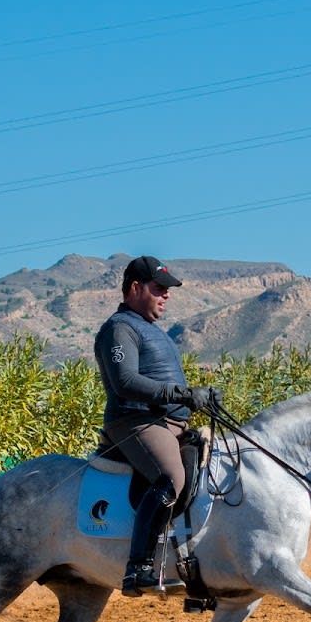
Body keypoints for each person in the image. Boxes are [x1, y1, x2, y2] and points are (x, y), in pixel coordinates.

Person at [93, 255, 218, 597]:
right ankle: (139, 568)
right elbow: (126, 381)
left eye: (168, 290)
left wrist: (197, 399)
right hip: (135, 420)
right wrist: (181, 393)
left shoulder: (151, 329)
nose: (167, 295)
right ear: (136, 288)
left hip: (167, 422)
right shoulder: (120, 328)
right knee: (172, 478)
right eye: (159, 288)